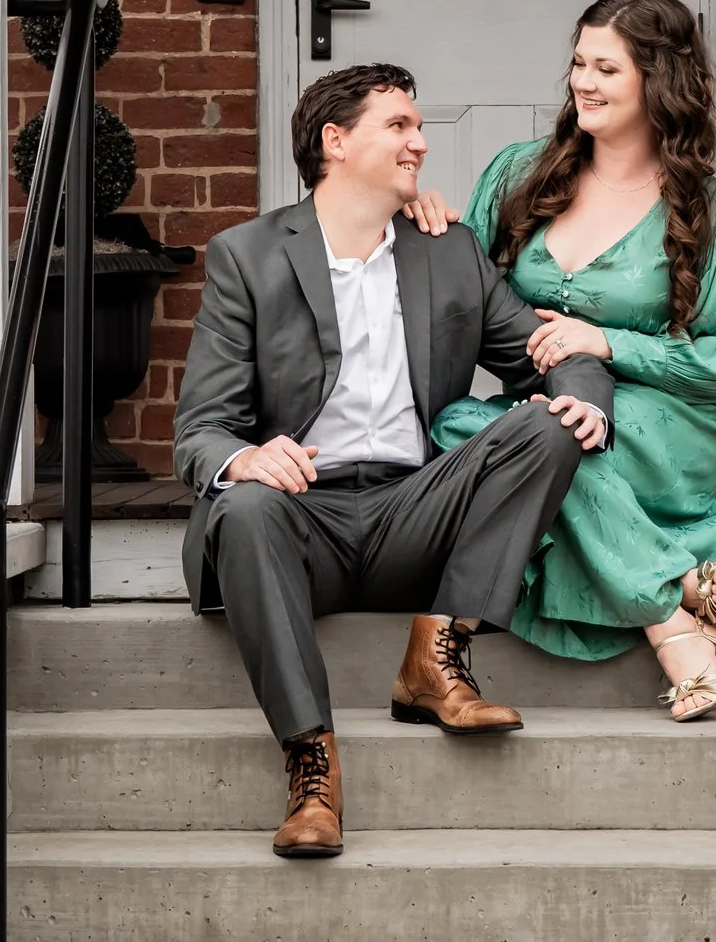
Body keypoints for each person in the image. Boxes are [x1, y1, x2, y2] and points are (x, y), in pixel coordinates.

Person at [172, 63, 614, 859]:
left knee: (547, 427)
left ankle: (437, 654)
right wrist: (246, 456)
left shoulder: (448, 253)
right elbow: (200, 428)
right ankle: (313, 770)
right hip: (299, 519)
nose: (420, 141)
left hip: (416, 511)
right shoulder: (249, 255)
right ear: (335, 142)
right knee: (243, 504)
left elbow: (541, 350)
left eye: (418, 126)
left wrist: (585, 387)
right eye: (400, 125)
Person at [412, 0, 716, 722]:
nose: (583, 81)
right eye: (578, 62)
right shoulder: (521, 173)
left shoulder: (710, 212)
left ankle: (674, 629)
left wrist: (610, 342)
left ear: (658, 80)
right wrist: (435, 232)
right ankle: (673, 595)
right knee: (457, 426)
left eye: (606, 67)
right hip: (541, 409)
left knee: (548, 438)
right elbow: (466, 293)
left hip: (662, 419)